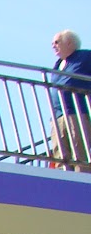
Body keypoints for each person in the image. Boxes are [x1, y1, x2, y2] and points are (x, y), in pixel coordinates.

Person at [48, 29, 91, 172]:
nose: (53, 45)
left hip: (77, 112)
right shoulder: (58, 64)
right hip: (57, 116)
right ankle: (62, 183)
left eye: (56, 42)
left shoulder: (85, 57)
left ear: (69, 42)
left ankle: (82, 181)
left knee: (79, 151)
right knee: (60, 154)